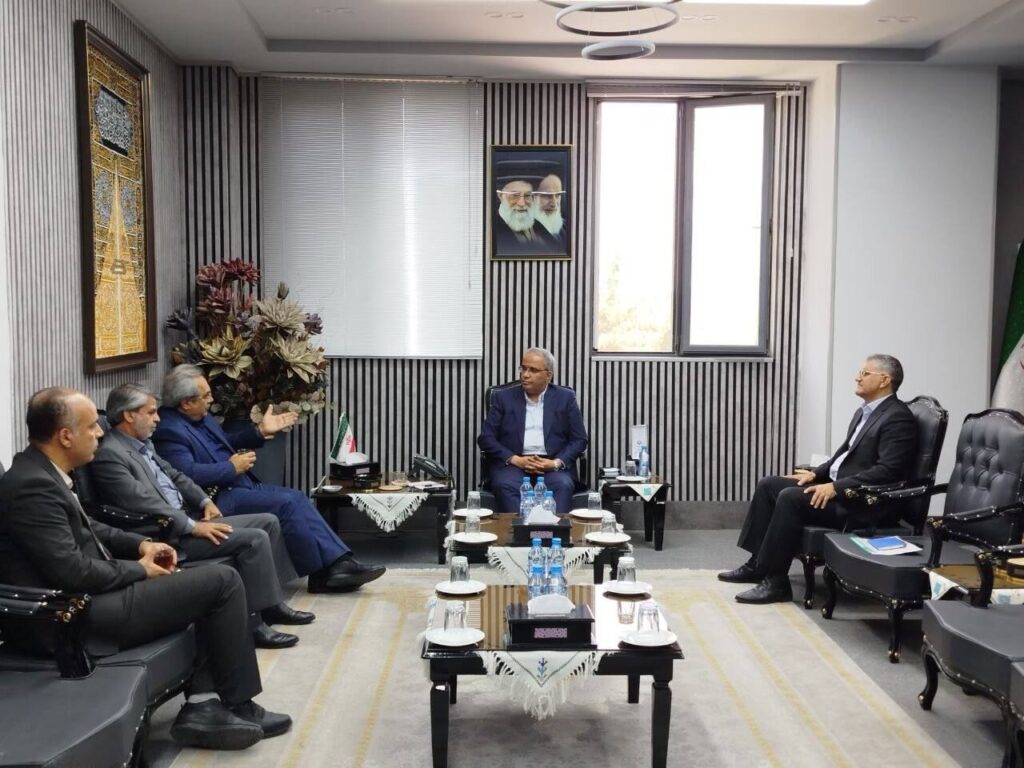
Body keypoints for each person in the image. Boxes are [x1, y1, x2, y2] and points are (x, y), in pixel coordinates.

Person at [0, 388, 291, 750]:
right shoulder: (32, 487)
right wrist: (140, 569)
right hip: (74, 616)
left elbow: (90, 527)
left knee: (203, 584)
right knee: (222, 581)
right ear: (65, 436)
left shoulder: (42, 472)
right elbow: (71, 572)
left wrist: (141, 544)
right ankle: (236, 705)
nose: (100, 432)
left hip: (94, 596)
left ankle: (204, 705)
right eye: (91, 427)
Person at [92, 383, 315, 650]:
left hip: (189, 516)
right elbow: (143, 502)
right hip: (166, 534)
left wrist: (204, 500)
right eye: (151, 412)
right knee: (254, 539)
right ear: (129, 415)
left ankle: (271, 604)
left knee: (268, 521)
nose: (158, 418)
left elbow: (177, 476)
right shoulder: (110, 455)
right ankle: (254, 626)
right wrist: (192, 526)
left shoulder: (143, 444)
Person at [151, 365, 385, 593]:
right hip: (217, 499)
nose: (211, 399)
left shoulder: (200, 416)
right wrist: (231, 468)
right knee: (287, 503)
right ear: (186, 403)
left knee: (296, 497)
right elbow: (187, 475)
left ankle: (338, 564)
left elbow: (225, 443)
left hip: (238, 485)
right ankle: (325, 572)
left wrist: (259, 432)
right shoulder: (170, 430)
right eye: (206, 396)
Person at [718, 355, 918, 604]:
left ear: (884, 380)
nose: (857, 377)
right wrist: (816, 474)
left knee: (790, 498)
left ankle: (776, 582)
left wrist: (835, 487)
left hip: (861, 502)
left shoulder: (898, 418)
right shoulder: (864, 412)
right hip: (841, 490)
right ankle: (758, 564)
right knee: (769, 484)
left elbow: (888, 471)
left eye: (865, 373)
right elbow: (843, 455)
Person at [478, 347, 588, 513]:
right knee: (504, 484)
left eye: (533, 370)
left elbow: (579, 439)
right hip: (514, 465)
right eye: (523, 368)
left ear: (548, 375)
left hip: (551, 464)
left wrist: (555, 463)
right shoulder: (503, 397)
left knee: (563, 485)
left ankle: (553, 529)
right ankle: (520, 529)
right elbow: (486, 438)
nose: (525, 375)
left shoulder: (565, 398)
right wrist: (514, 459)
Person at [493, 179, 557, 257]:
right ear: (500, 196)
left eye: (527, 195)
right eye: (515, 195)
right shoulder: (492, 229)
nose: (522, 203)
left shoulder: (536, 224)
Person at [533, 173, 566, 249]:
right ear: (533, 198)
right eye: (547, 195)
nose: (554, 203)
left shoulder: (565, 228)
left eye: (557, 195)